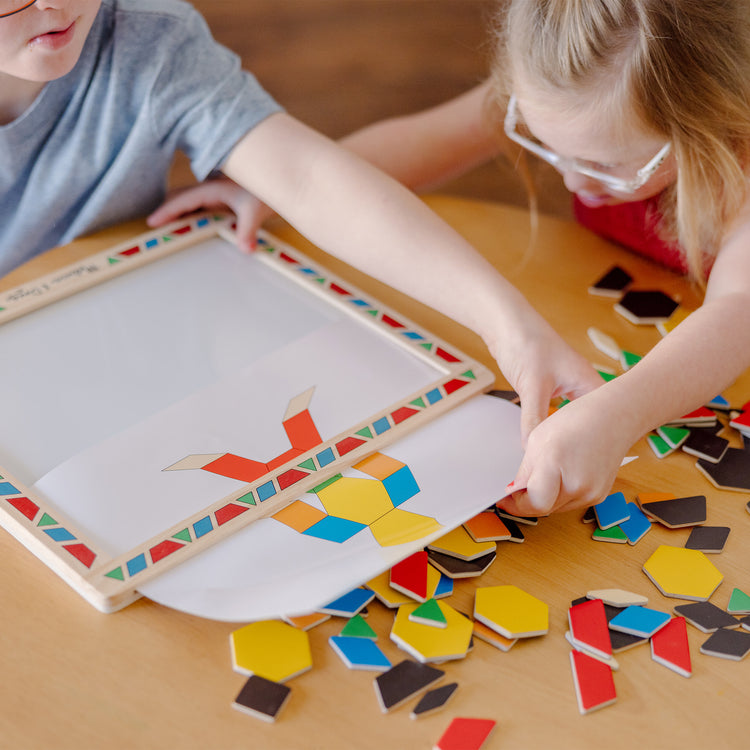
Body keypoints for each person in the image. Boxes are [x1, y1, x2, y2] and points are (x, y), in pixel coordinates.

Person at [155, 0, 750, 518]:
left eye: (608, 167)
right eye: (545, 142)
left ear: (711, 119)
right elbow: (421, 142)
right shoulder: (576, 87)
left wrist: (620, 413)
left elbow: (737, 313)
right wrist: (272, 186)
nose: (569, 176)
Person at [0, 0, 602, 498]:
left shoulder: (150, 39)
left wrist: (510, 327)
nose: (51, 3)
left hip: (122, 371)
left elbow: (312, 180)